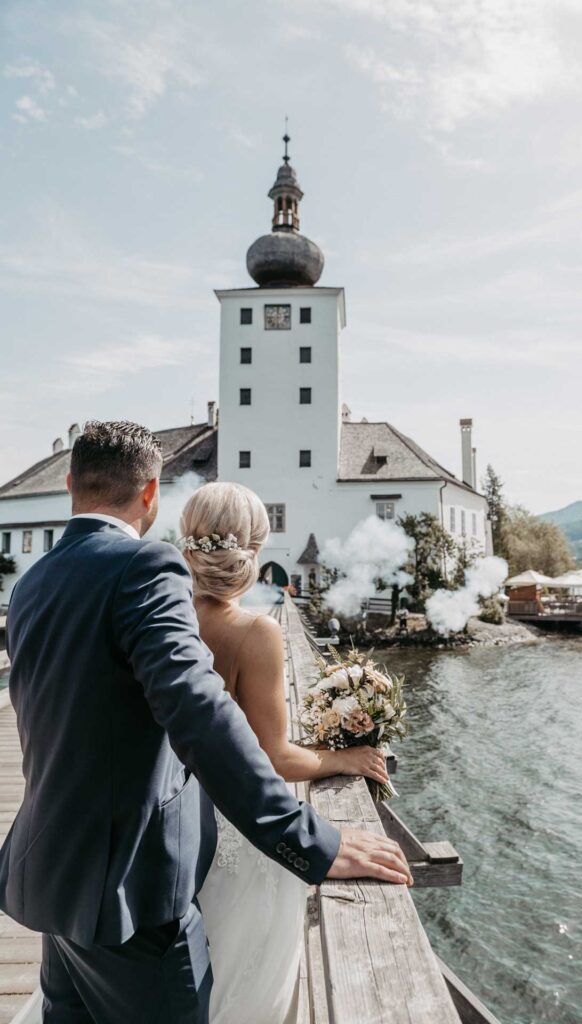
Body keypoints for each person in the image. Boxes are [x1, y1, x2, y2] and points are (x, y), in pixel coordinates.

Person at [0, 421, 412, 1024]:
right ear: (150, 493)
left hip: (52, 875)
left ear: (69, 484)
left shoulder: (33, 582)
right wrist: (311, 843)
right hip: (131, 896)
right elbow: (203, 713)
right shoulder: (145, 568)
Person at [180, 482, 389, 1024]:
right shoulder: (256, 632)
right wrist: (342, 759)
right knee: (245, 985)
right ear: (253, 547)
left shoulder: (167, 620)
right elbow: (271, 758)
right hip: (242, 830)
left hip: (177, 826)